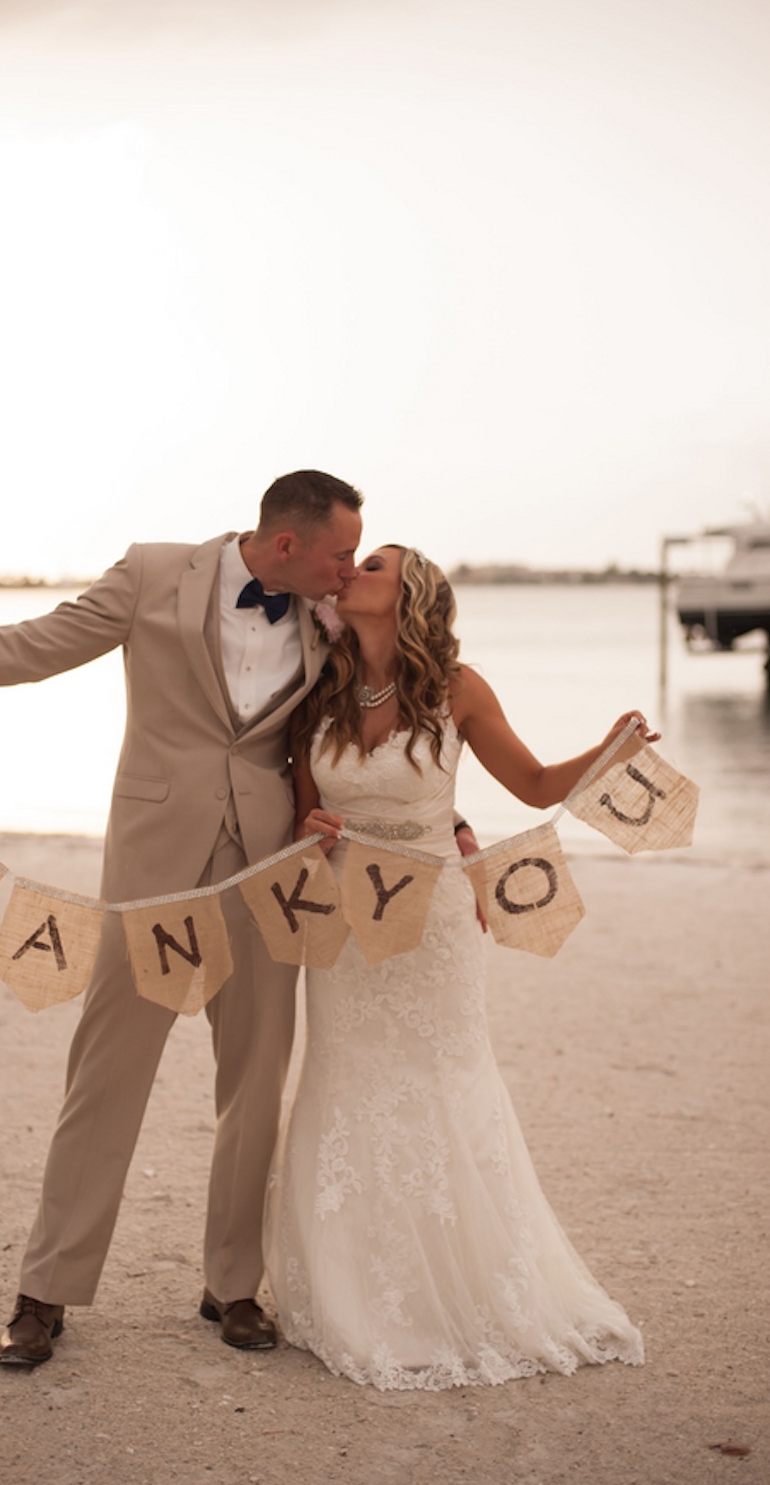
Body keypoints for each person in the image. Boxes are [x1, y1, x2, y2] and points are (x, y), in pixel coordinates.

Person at [0, 470, 372, 1364]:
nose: (349, 570)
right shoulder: (154, 574)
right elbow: (33, 645)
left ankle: (233, 1285)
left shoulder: (330, 616)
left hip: (271, 874)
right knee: (106, 1076)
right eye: (341, 552)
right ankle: (45, 1292)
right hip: (154, 871)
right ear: (285, 545)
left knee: (258, 1081)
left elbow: (385, 714)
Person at [264, 544, 651, 1390]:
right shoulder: (318, 692)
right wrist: (310, 834)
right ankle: (356, 1290)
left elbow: (539, 784)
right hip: (344, 918)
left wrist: (610, 748)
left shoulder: (457, 689)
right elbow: (303, 815)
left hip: (433, 915)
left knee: (444, 1079)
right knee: (346, 1078)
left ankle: (467, 1292)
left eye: (375, 562)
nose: (353, 568)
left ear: (410, 594)